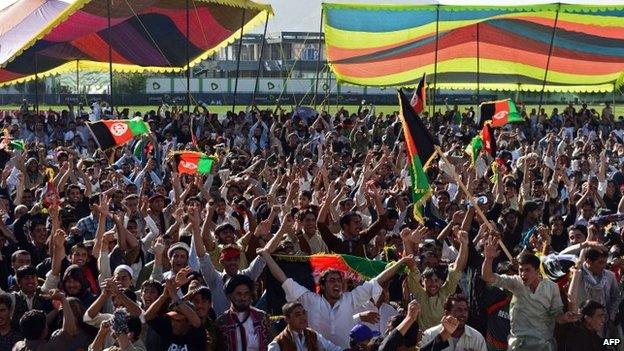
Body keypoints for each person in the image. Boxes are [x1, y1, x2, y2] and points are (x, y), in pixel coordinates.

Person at [259, 247, 413, 348]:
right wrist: (267, 256)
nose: (337, 284)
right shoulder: (310, 300)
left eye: (339, 281)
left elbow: (377, 280)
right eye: (332, 281)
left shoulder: (350, 299)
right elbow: (283, 279)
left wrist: (400, 263)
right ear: (323, 285)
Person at [482, 237, 578, 351]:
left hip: (543, 345)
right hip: (519, 345)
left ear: (537, 272)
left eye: (527, 270)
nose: (522, 274)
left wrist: (566, 318)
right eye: (520, 270)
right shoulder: (515, 283)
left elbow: (557, 316)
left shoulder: (552, 287)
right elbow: (488, 277)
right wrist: (488, 258)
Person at [144, 278, 207, 351]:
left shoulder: (196, 335)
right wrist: (164, 296)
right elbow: (147, 317)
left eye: (178, 320)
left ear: (189, 322)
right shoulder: (168, 330)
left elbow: (197, 323)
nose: (173, 323)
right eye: (172, 319)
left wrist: (174, 296)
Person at [216, 274, 272, 351]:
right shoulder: (222, 322)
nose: (243, 298)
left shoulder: (262, 317)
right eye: (238, 294)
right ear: (229, 296)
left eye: (246, 293)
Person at [12, 290, 78, 350]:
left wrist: (56, 310)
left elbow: (36, 323)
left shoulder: (18, 346)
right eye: (46, 324)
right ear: (44, 331)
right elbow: (70, 331)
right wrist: (63, 298)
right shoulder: (48, 348)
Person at [419, 294, 487, 351]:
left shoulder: (477, 338)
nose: (463, 314)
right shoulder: (429, 335)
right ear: (447, 313)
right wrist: (444, 335)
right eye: (459, 310)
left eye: (465, 310)